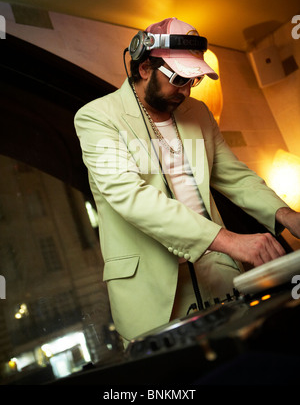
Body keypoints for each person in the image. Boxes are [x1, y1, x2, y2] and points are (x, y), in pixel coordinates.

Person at [74, 17, 300, 347]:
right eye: (178, 77)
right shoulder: (97, 117)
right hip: (151, 292)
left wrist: (287, 215)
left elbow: (234, 177)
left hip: (219, 271)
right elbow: (129, 197)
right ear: (145, 67)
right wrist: (231, 240)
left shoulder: (199, 112)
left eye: (192, 80)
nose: (184, 90)